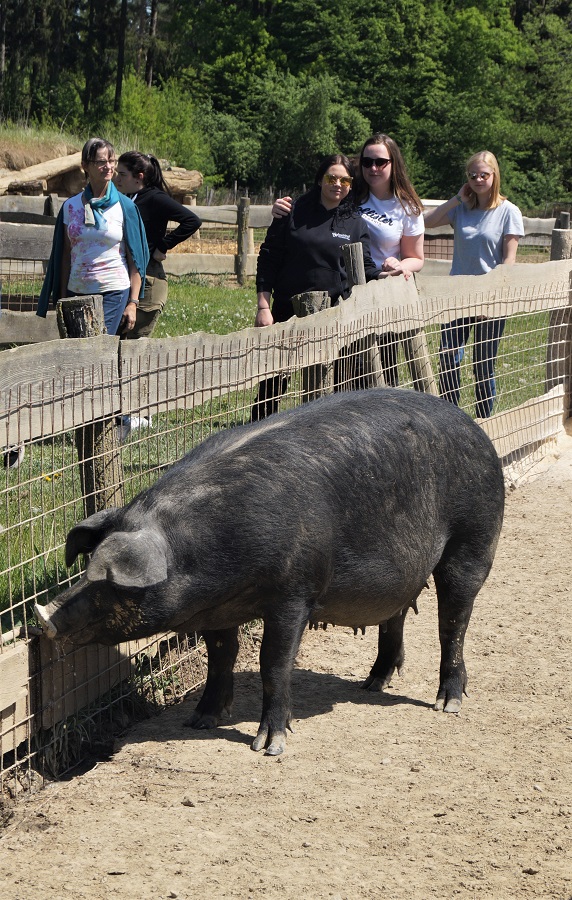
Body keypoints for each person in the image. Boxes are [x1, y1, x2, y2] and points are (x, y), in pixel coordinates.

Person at [272, 134, 426, 386]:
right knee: (349, 371)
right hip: (346, 293)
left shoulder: (407, 207)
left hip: (383, 292)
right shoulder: (349, 192)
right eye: (367, 162)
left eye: (380, 162)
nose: (373, 168)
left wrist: (398, 266)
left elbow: (416, 258)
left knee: (384, 368)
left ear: (394, 163)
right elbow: (314, 205)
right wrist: (282, 208)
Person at [253, 153, 380, 419]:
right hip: (288, 309)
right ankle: (260, 426)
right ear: (320, 180)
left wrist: (386, 273)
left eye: (345, 180)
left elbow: (365, 266)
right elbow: (268, 258)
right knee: (273, 381)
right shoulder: (292, 211)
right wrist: (263, 306)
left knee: (334, 383)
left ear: (351, 185)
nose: (338, 184)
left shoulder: (355, 223)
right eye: (331, 178)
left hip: (335, 315)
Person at [424, 150, 524, 418]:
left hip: (490, 299)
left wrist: (491, 300)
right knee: (448, 357)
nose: (478, 179)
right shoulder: (461, 209)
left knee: (483, 365)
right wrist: (457, 198)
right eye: (473, 175)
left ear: (495, 175)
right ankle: (451, 419)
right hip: (456, 296)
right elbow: (425, 223)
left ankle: (483, 420)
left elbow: (509, 261)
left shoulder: (508, 212)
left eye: (484, 174)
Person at [37, 138, 149, 336]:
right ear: (85, 166)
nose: (108, 167)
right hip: (76, 291)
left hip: (113, 290)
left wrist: (133, 302)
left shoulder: (125, 207)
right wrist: (62, 297)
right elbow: (65, 256)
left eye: (111, 161)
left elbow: (136, 260)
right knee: (76, 347)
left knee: (98, 344)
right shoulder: (70, 207)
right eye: (101, 162)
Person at [115, 151, 202, 339]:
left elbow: (192, 221)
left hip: (149, 278)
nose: (117, 179)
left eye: (122, 174)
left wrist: (162, 246)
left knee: (133, 344)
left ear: (139, 177)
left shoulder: (155, 198)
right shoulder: (129, 197)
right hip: (129, 275)